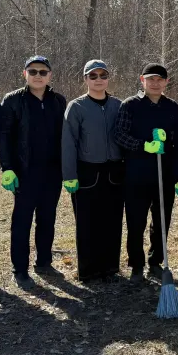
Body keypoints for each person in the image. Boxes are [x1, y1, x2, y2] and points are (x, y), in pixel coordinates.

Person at [0, 56, 67, 289]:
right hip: (24, 172)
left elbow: (65, 137)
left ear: (50, 75)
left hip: (52, 171)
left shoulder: (58, 101)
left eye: (43, 72)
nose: (38, 75)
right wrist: (8, 168)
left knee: (47, 217)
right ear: (24, 74)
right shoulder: (13, 100)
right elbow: (5, 137)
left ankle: (44, 261)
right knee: (22, 221)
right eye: (33, 71)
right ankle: (20, 269)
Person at [114, 63, 178, 282]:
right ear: (142, 80)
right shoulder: (130, 105)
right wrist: (144, 145)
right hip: (136, 173)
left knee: (162, 220)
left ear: (166, 82)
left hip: (164, 174)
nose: (155, 83)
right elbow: (119, 134)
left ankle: (155, 262)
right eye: (151, 79)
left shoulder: (171, 107)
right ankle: (136, 264)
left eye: (159, 79)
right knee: (136, 221)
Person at [61, 59, 125, 282]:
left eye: (103, 75)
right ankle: (89, 269)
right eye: (93, 76)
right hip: (87, 172)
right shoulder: (77, 107)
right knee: (88, 223)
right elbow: (68, 142)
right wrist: (69, 175)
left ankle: (110, 267)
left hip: (115, 173)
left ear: (108, 78)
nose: (99, 80)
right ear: (86, 79)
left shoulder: (118, 105)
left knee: (112, 221)